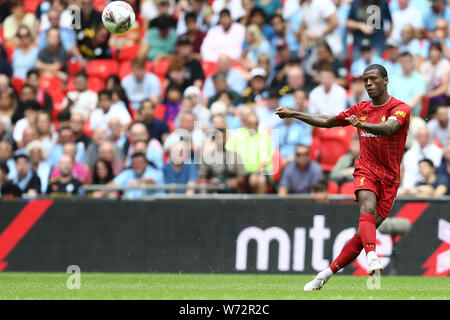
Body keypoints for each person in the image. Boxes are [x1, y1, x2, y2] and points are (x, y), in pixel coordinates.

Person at [276, 64, 411, 290]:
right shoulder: (360, 107)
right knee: (366, 208)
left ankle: (324, 275)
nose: (368, 83)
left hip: (389, 179)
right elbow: (327, 121)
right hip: (366, 169)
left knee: (361, 236)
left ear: (385, 81)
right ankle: (372, 257)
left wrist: (362, 124)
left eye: (373, 79)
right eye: (365, 80)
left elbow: (389, 129)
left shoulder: (400, 108)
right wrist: (294, 113)